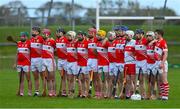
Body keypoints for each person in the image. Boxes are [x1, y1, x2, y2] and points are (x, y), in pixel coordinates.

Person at [15, 32, 32, 96]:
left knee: (28, 79)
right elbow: (17, 54)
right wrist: (15, 63)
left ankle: (29, 92)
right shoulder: (19, 43)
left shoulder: (29, 43)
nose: (21, 37)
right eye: (20, 36)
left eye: (23, 36)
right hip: (19, 63)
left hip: (26, 63)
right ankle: (21, 92)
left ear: (26, 37)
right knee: (21, 79)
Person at [30, 26, 46, 96]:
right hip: (32, 60)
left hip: (40, 59)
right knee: (35, 77)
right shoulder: (31, 40)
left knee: (42, 76)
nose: (32, 31)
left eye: (34, 30)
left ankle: (44, 90)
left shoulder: (41, 39)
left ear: (38, 32)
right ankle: (36, 91)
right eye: (32, 30)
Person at [154, 29, 169, 100]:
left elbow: (166, 54)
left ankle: (165, 96)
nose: (155, 35)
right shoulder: (157, 42)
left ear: (159, 34)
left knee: (164, 80)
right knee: (159, 80)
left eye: (156, 34)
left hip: (161, 63)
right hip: (157, 62)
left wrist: (162, 63)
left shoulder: (163, 42)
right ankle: (162, 95)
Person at [114, 25, 128, 98]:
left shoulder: (126, 40)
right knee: (119, 79)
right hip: (117, 62)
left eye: (121, 31)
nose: (119, 32)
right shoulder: (116, 40)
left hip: (124, 62)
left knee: (123, 79)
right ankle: (120, 93)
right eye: (118, 31)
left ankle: (125, 93)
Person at [42, 29, 56, 97]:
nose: (43, 35)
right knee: (46, 77)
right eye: (43, 33)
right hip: (43, 60)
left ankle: (54, 91)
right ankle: (49, 92)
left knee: (52, 78)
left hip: (50, 60)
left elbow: (57, 49)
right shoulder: (42, 41)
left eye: (44, 33)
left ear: (48, 34)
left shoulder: (52, 41)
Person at [134, 29, 147, 99]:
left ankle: (144, 94)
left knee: (143, 79)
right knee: (137, 79)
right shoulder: (135, 42)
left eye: (138, 34)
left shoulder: (145, 41)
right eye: (136, 34)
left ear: (142, 34)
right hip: (137, 62)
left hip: (144, 62)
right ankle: (138, 94)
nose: (137, 35)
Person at [96, 30, 109, 99]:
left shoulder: (106, 43)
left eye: (99, 35)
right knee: (100, 79)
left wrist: (106, 39)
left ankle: (106, 94)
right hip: (99, 64)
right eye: (97, 35)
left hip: (106, 64)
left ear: (103, 36)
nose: (97, 36)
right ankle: (101, 94)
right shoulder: (97, 42)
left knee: (106, 80)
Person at [55, 27, 68, 97]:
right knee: (62, 76)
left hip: (66, 60)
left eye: (59, 32)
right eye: (57, 32)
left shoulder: (66, 40)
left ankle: (65, 91)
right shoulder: (56, 40)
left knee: (65, 77)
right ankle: (63, 91)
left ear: (63, 33)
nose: (57, 33)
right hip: (59, 60)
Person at [77, 31, 89, 98]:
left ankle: (86, 93)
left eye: (80, 35)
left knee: (86, 79)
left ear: (83, 36)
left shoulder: (87, 43)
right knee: (80, 79)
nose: (78, 36)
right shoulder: (77, 43)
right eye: (78, 35)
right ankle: (81, 92)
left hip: (85, 64)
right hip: (78, 64)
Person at [124, 30, 136, 99]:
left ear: (131, 35)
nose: (125, 36)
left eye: (127, 35)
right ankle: (128, 94)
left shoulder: (134, 42)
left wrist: (134, 56)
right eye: (125, 35)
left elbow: (137, 52)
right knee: (127, 80)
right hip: (126, 63)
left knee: (132, 80)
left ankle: (133, 93)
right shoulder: (126, 42)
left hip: (132, 63)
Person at [66, 31, 78, 98]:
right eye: (68, 36)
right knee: (69, 78)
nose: (68, 37)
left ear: (73, 36)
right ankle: (69, 91)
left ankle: (74, 92)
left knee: (74, 78)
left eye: (70, 36)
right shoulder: (67, 43)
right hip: (68, 62)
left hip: (74, 63)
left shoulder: (76, 43)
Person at [146, 31, 157, 100]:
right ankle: (149, 94)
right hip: (148, 63)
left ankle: (154, 94)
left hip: (154, 63)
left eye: (149, 36)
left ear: (153, 36)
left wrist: (153, 41)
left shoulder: (155, 43)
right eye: (147, 36)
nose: (148, 37)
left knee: (154, 80)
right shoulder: (146, 43)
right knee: (149, 80)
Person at [87, 28, 98, 97]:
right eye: (88, 32)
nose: (89, 34)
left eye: (90, 33)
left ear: (94, 33)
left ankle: (98, 93)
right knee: (91, 78)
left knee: (96, 78)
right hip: (89, 60)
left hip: (95, 60)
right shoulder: (88, 40)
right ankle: (93, 92)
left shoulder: (97, 40)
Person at [107, 31, 117, 98]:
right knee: (110, 79)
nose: (110, 37)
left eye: (111, 36)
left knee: (116, 79)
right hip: (110, 63)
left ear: (114, 36)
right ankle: (109, 94)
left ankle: (115, 94)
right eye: (109, 35)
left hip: (116, 63)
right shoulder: (107, 43)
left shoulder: (117, 43)